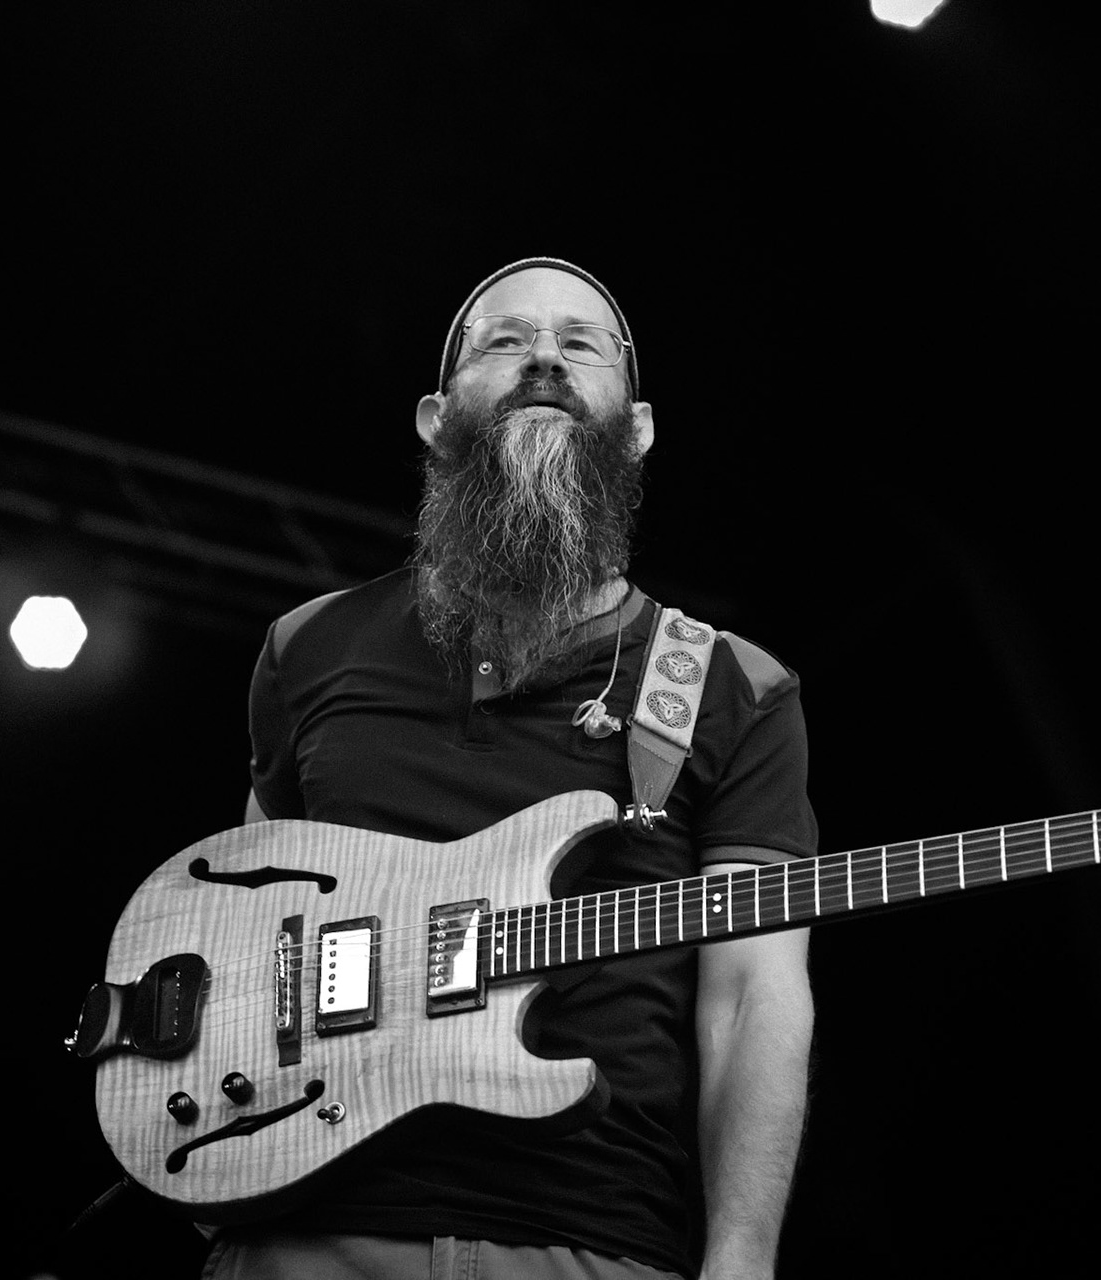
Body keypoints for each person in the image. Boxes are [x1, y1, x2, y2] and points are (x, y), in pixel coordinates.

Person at [209, 258, 816, 1280]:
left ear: (638, 428)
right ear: (437, 417)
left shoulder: (729, 685)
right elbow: (236, 919)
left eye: (582, 344)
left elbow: (754, 999)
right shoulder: (307, 646)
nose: (544, 357)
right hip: (302, 1231)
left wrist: (741, 1261)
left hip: (590, 1239)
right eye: (504, 340)